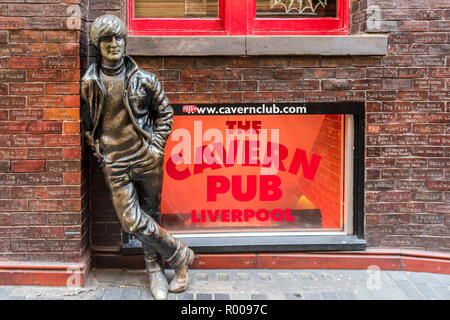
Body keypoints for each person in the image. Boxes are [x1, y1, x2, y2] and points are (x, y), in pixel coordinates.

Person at [81, 14, 194, 300]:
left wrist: (156, 147)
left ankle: (155, 271)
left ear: (125, 41)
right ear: (97, 44)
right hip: (116, 164)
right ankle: (180, 255)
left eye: (118, 37)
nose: (114, 44)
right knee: (132, 221)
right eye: (107, 39)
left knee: (150, 216)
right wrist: (102, 154)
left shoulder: (144, 79)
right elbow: (87, 126)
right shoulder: (90, 83)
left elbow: (165, 114)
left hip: (147, 158)